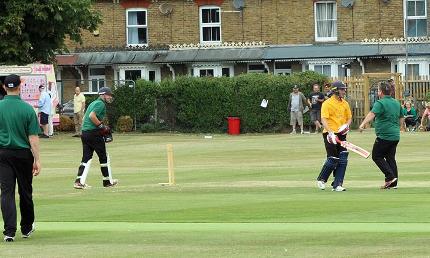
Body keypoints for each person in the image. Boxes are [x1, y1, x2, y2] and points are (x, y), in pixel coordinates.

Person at [0, 74, 41, 242]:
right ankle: (26, 228)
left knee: (6, 192)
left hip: (3, 153)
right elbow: (33, 137)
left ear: (4, 87)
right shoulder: (27, 109)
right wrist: (37, 159)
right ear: (20, 86)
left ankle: (9, 231)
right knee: (25, 191)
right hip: (23, 154)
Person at [359, 81, 403, 189]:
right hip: (395, 136)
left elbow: (372, 114)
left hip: (384, 136)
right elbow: (401, 116)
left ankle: (390, 176)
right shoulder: (396, 102)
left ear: (380, 92)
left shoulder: (380, 103)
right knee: (390, 158)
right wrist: (400, 127)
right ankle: (393, 184)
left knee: (376, 156)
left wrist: (363, 124)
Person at [73, 87, 118, 189]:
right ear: (103, 95)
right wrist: (101, 127)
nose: (110, 97)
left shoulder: (93, 103)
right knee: (103, 157)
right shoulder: (100, 104)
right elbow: (92, 116)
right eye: (109, 95)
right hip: (93, 133)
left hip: (85, 133)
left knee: (87, 157)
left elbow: (85, 117)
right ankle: (107, 181)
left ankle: (79, 181)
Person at [316, 81, 352, 192]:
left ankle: (337, 184)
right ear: (335, 90)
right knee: (333, 158)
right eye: (342, 89)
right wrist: (330, 132)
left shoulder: (345, 103)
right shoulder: (327, 103)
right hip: (329, 134)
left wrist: (346, 126)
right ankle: (321, 179)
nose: (344, 91)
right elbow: (324, 119)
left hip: (341, 133)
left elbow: (349, 118)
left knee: (343, 157)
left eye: (344, 89)